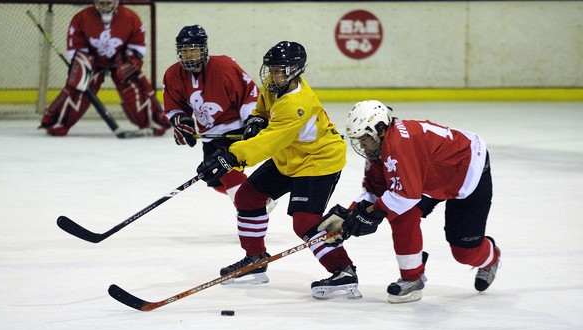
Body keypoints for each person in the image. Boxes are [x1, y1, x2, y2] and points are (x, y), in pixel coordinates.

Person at [196, 41, 361, 300]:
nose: (272, 75)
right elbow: (263, 110)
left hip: (318, 160)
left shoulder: (297, 104)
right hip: (290, 155)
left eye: (279, 70)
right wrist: (257, 119)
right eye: (271, 69)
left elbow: (267, 143)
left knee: (304, 222)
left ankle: (343, 270)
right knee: (247, 197)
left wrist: (231, 157)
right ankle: (255, 260)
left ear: (295, 70)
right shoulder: (274, 86)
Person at [319, 100, 501, 303]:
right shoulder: (379, 148)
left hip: (466, 170)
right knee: (401, 213)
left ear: (379, 130)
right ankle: (412, 277)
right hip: (428, 174)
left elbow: (405, 196)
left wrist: (369, 213)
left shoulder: (399, 146)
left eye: (364, 139)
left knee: (464, 253)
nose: (361, 145)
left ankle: (491, 257)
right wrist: (349, 215)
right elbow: (375, 191)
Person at [40, 0, 170, 136]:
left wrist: (130, 58)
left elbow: (138, 44)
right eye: (102, 3)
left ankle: (152, 121)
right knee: (79, 86)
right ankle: (58, 122)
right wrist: (82, 62)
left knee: (134, 84)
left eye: (108, 3)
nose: (105, 6)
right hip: (92, 61)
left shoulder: (130, 17)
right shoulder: (82, 17)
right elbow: (76, 45)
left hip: (121, 60)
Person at [162, 24, 259, 203]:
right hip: (208, 133)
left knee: (226, 170)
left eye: (193, 50)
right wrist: (181, 122)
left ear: (203, 49)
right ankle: (258, 199)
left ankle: (252, 204)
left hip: (234, 127)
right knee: (216, 181)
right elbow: (174, 105)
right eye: (184, 50)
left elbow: (249, 94)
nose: (188, 55)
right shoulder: (173, 74)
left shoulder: (225, 67)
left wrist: (252, 120)